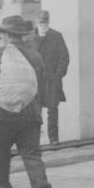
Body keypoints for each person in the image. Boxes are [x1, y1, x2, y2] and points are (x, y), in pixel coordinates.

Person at [0, 15, 52, 188]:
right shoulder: (35, 55)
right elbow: (42, 86)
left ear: (6, 34)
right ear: (22, 35)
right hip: (30, 115)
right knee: (32, 156)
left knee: (0, 157)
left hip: (1, 116)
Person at [30, 10, 69, 146]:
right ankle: (34, 139)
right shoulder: (30, 38)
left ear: (49, 22)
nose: (43, 25)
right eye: (41, 22)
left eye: (45, 22)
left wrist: (58, 74)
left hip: (52, 80)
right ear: (36, 23)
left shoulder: (56, 36)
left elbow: (64, 57)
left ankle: (53, 138)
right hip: (36, 81)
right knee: (36, 111)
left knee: (53, 110)